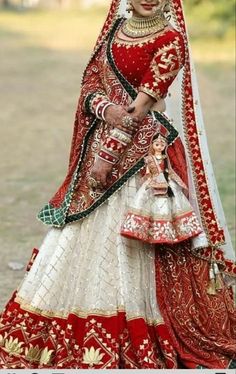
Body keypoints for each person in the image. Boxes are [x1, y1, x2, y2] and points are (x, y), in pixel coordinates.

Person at [0, 0, 235, 369]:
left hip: (141, 159)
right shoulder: (114, 30)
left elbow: (141, 107)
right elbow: (92, 81)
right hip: (103, 141)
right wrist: (103, 109)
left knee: (133, 245)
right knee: (79, 238)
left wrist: (107, 155)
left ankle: (135, 327)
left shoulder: (171, 40)